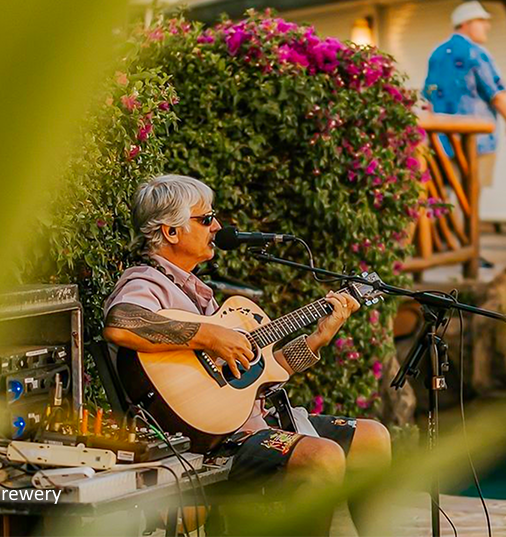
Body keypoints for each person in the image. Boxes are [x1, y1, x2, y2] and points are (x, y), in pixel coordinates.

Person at [102, 175, 392, 537]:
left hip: (250, 421)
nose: (217, 227)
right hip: (208, 440)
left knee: (373, 437)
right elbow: (121, 322)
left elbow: (269, 370)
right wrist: (208, 335)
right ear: (171, 232)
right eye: (206, 219)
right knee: (322, 458)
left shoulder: (201, 294)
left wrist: (318, 338)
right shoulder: (146, 282)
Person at [423, 0, 506, 188]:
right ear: (466, 23)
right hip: (476, 139)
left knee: (450, 191)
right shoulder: (475, 53)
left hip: (443, 139)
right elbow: (496, 94)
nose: (487, 27)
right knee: (472, 192)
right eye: (481, 21)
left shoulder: (437, 53)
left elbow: (428, 96)